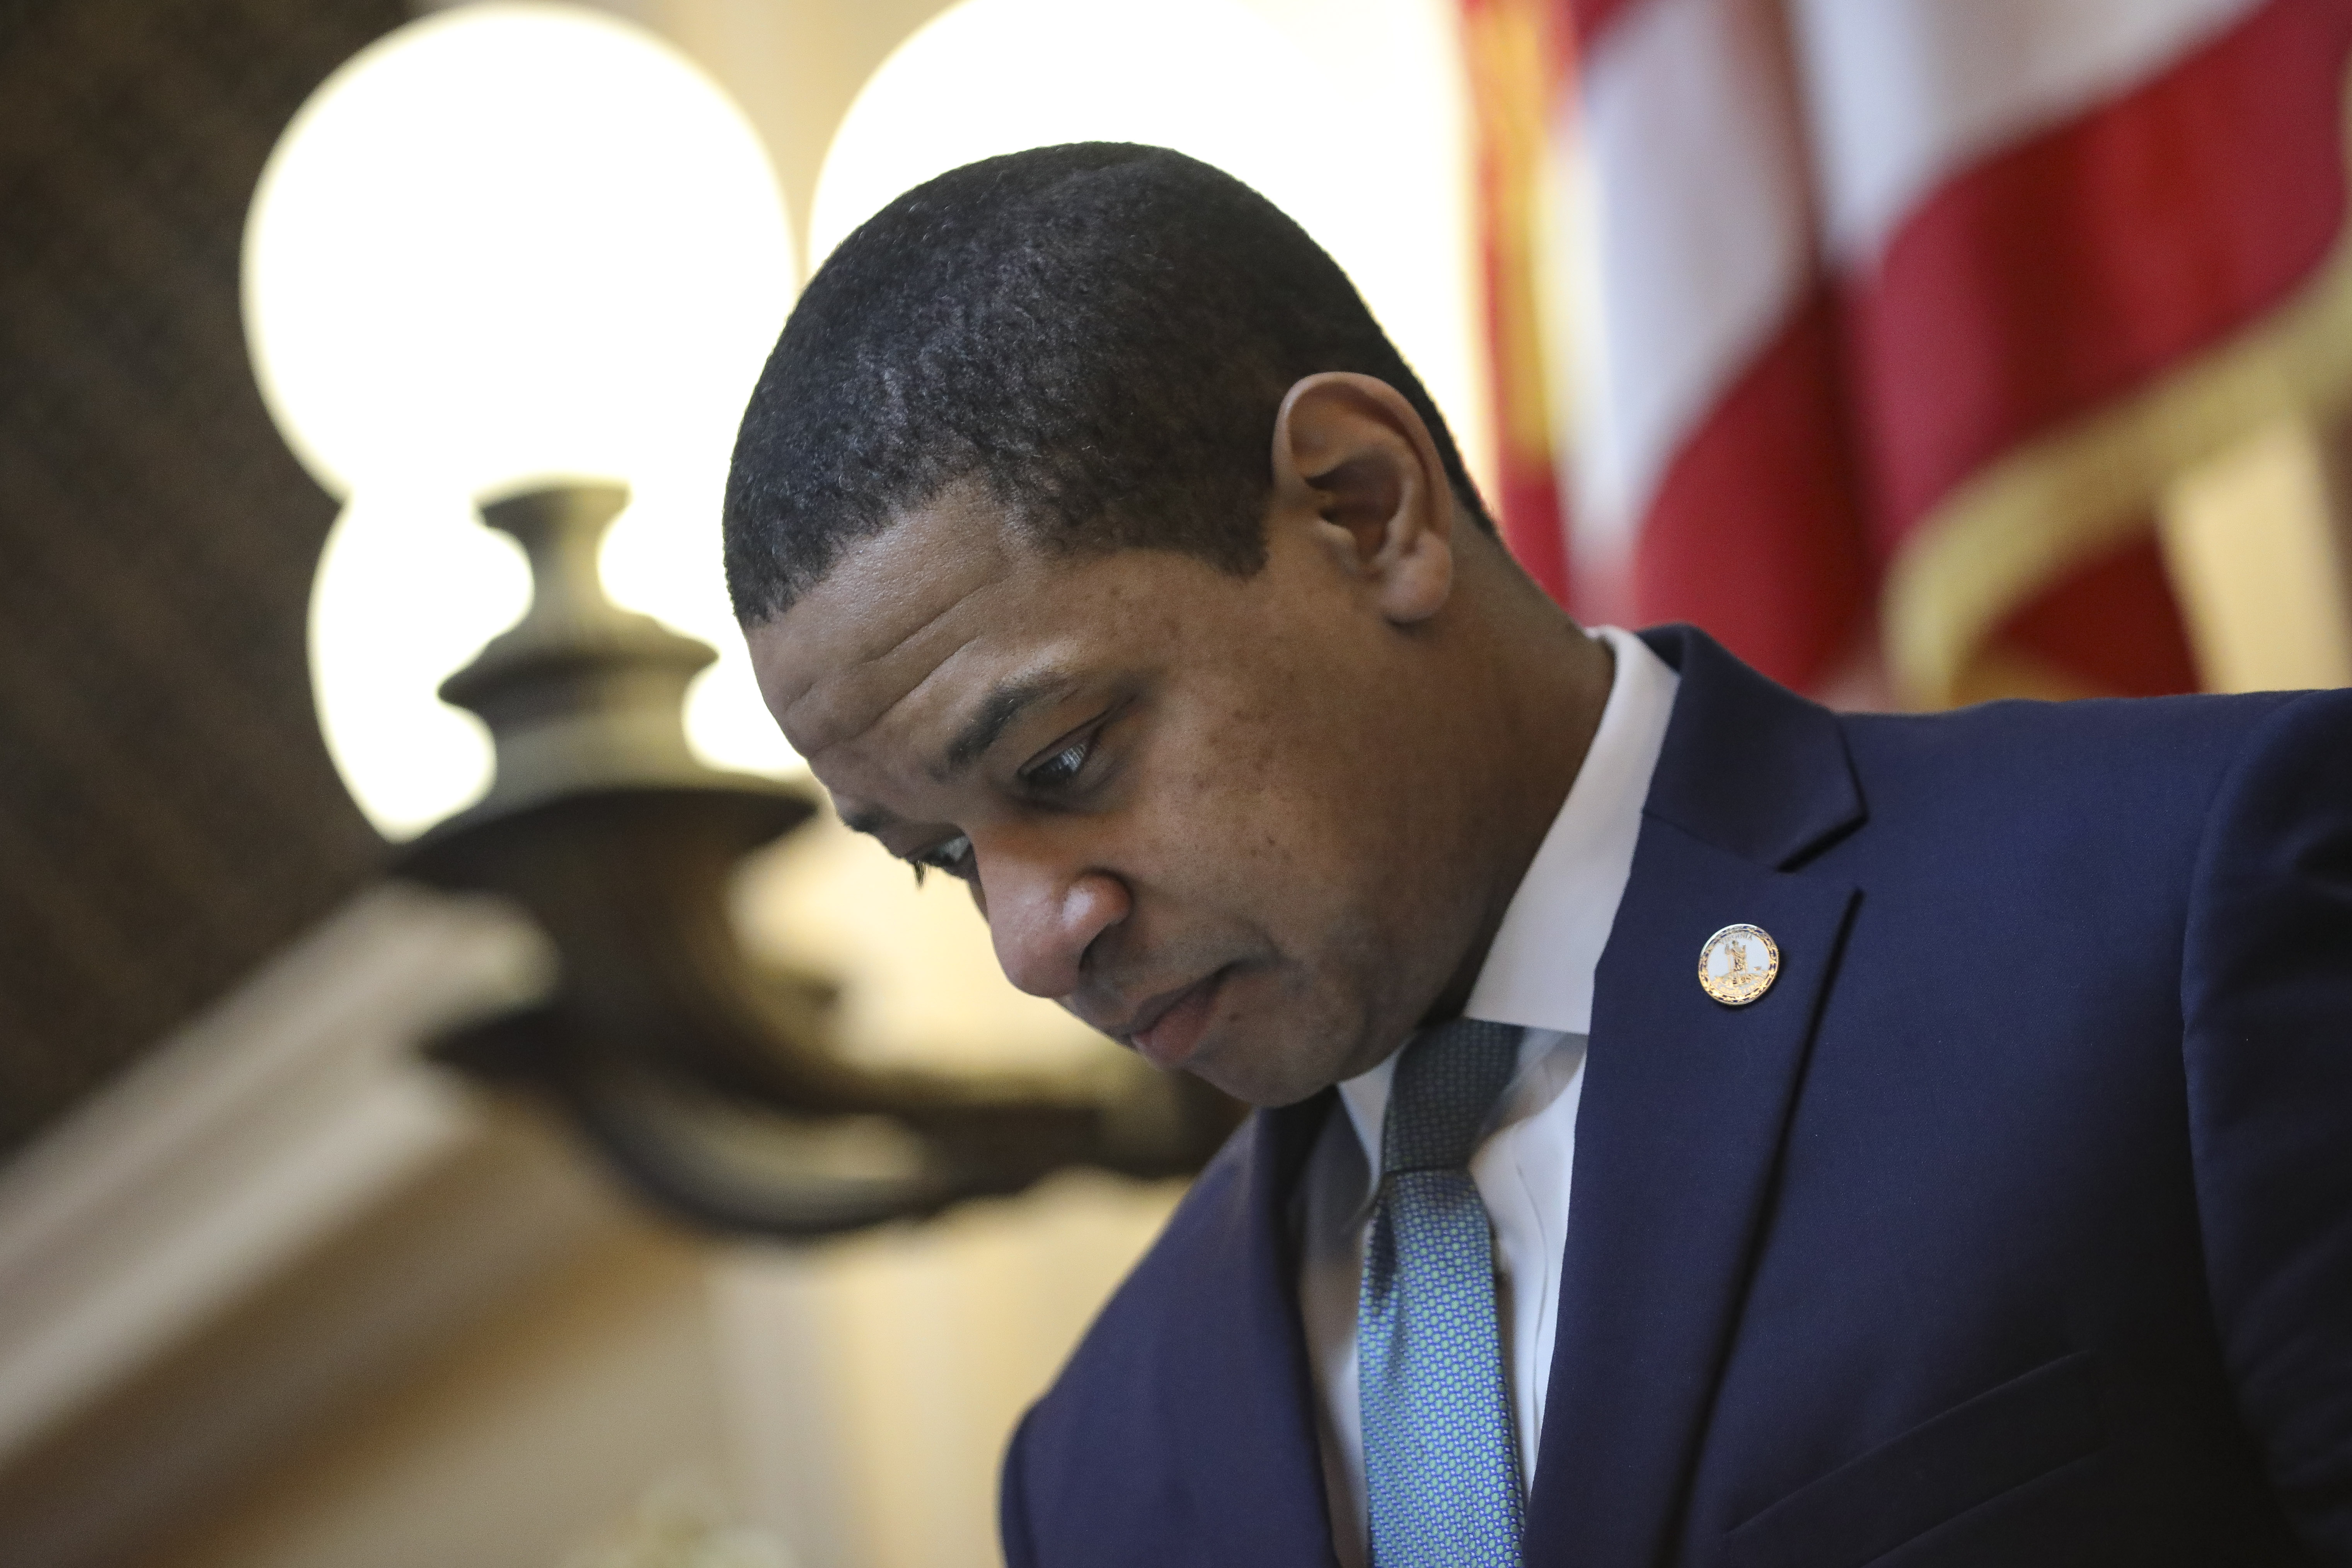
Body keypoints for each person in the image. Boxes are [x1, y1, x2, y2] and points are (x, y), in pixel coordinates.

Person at [722, 143, 2352, 1567]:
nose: (1029, 941)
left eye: (1063, 760)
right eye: (941, 857)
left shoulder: (2178, 913)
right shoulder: (1093, 1468)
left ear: (1368, 510)